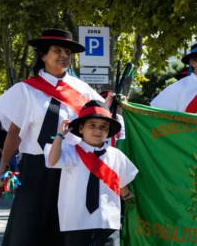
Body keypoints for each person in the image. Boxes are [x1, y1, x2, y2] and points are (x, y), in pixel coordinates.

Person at [0, 29, 110, 246]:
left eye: (67, 51)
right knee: (28, 226)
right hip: (35, 167)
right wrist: (3, 164)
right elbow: (14, 132)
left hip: (72, 165)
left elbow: (101, 122)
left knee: (65, 227)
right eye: (57, 51)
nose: (64, 55)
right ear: (43, 56)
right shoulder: (25, 90)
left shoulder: (84, 90)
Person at [46, 100, 138, 246]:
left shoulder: (116, 154)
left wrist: (126, 194)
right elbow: (52, 161)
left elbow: (121, 180)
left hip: (107, 218)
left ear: (108, 132)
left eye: (103, 127)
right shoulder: (71, 151)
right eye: (92, 125)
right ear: (81, 128)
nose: (98, 130)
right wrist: (59, 136)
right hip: (76, 218)